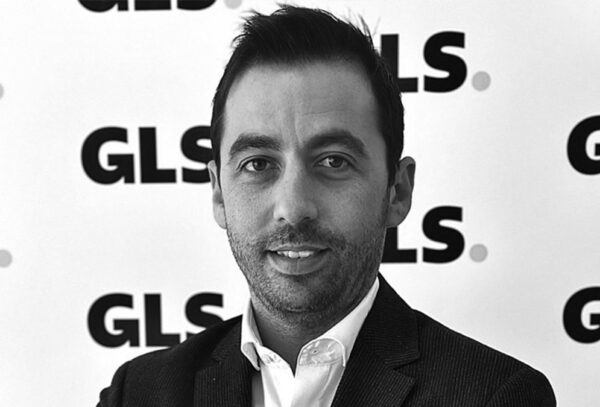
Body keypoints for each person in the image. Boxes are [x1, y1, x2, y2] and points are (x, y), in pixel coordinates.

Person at [98, 6, 556, 406]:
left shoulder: (494, 395)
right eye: (258, 164)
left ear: (397, 191)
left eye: (334, 161)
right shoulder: (139, 392)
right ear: (219, 193)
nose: (293, 207)